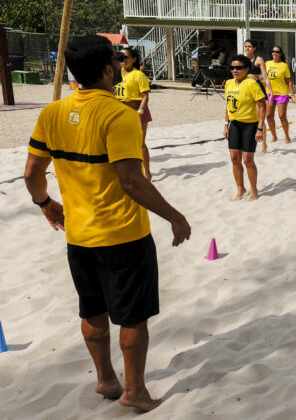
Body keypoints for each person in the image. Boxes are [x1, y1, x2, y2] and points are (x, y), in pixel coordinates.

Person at [23, 35, 191, 412]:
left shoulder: (51, 113)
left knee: (92, 311)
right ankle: (135, 391)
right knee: (133, 317)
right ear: (106, 69)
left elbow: (32, 172)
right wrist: (174, 216)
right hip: (122, 235)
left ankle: (105, 379)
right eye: (115, 61)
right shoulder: (119, 114)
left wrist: (45, 204)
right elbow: (131, 180)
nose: (118, 66)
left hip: (78, 236)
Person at [224, 55, 267, 201]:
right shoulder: (229, 83)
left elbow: (262, 106)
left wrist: (260, 128)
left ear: (247, 69)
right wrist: (226, 125)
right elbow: (228, 106)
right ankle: (240, 188)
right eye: (232, 68)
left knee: (248, 159)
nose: (235, 70)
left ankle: (254, 191)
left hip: (250, 124)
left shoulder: (251, 83)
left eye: (238, 68)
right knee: (234, 158)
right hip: (234, 124)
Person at [113, 47, 152, 180]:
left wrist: (140, 111)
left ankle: (147, 173)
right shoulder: (116, 73)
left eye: (125, 57)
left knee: (140, 143)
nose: (122, 60)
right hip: (120, 111)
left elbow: (145, 96)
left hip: (137, 110)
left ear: (133, 59)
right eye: (120, 57)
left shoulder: (138, 75)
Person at [244, 39, 273, 155]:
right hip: (246, 89)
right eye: (246, 46)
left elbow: (265, 76)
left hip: (256, 89)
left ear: (254, 48)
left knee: (260, 118)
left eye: (249, 46)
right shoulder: (243, 60)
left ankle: (264, 144)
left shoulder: (259, 60)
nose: (247, 48)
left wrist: (270, 92)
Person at [265, 45, 296, 144]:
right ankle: (274, 136)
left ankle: (287, 136)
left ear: (280, 54)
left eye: (277, 52)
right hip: (270, 93)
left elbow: (289, 81)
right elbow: (265, 79)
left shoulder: (284, 65)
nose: (275, 53)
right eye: (273, 51)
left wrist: (293, 94)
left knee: (282, 116)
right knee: (269, 116)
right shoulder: (267, 63)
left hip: (282, 94)